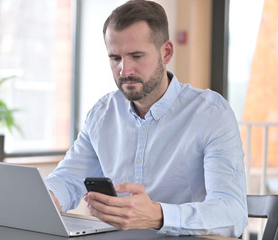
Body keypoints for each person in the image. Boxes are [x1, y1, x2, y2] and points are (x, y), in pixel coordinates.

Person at [44, 0, 248, 238]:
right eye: (115, 58)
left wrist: (159, 215)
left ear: (167, 52)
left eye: (136, 56)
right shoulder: (102, 113)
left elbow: (232, 214)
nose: (124, 70)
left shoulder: (211, 113)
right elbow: (67, 179)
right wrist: (47, 197)